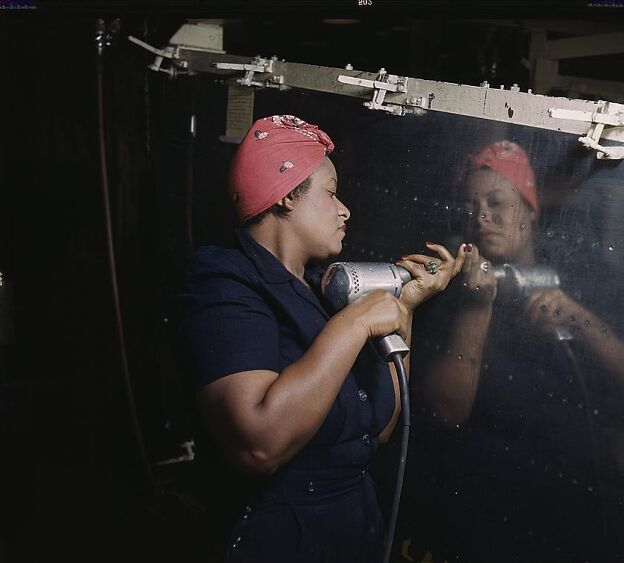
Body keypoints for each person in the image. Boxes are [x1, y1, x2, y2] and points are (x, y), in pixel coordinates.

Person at [177, 114, 467, 563]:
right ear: (288, 196)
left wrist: (403, 309)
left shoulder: (317, 291)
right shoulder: (225, 283)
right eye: (331, 193)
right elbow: (258, 444)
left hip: (352, 528)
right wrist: (353, 324)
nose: (344, 209)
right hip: (277, 540)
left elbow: (383, 429)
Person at [407, 140, 624, 562]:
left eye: (497, 202)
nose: (481, 217)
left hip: (573, 497)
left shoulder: (583, 272)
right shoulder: (447, 288)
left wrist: (580, 319)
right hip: (480, 502)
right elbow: (445, 409)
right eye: (470, 206)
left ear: (530, 209)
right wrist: (477, 305)